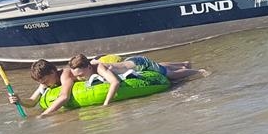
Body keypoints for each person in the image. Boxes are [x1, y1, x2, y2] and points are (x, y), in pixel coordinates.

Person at [69, 53, 208, 86]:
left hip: (140, 63)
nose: (80, 77)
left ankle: (198, 71)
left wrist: (106, 105)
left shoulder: (99, 68)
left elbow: (115, 83)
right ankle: (183, 63)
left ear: (88, 67)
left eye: (81, 75)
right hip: (131, 61)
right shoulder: (89, 64)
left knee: (170, 75)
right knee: (158, 66)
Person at [8, 59, 78, 118]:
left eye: (45, 81)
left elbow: (64, 96)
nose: (44, 85)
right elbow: (32, 101)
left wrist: (44, 114)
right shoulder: (44, 83)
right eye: (41, 82)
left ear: (52, 72)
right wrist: (20, 101)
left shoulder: (65, 74)